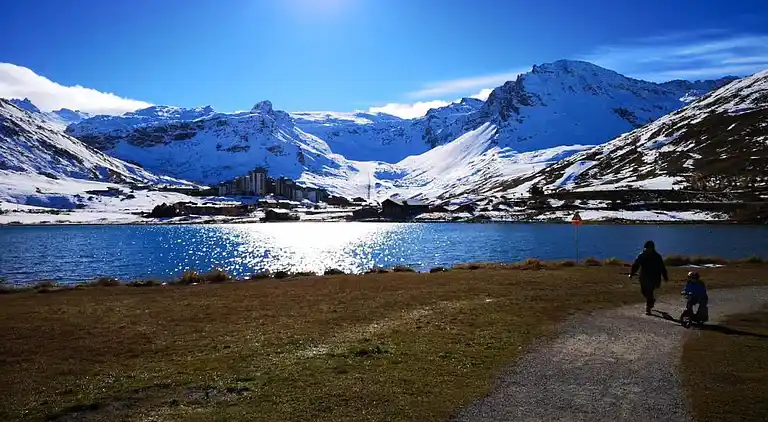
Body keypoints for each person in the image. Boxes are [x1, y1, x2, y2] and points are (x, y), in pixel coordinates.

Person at [629, 240, 669, 315]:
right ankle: (651, 301)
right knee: (644, 291)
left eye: (649, 248)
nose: (647, 249)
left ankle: (648, 308)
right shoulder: (641, 255)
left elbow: (662, 267)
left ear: (652, 248)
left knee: (649, 291)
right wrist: (631, 274)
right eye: (646, 248)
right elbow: (636, 265)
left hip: (654, 277)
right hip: (643, 276)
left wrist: (665, 276)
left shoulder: (657, 257)